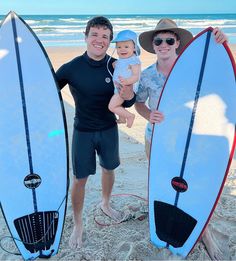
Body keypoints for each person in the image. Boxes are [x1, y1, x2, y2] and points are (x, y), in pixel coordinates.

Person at [135, 18, 227, 260]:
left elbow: (221, 81)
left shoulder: (193, 71)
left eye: (169, 40)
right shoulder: (146, 76)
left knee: (192, 184)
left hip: (187, 142)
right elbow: (138, 103)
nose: (163, 44)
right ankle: (162, 222)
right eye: (158, 41)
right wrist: (148, 114)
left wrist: (221, 43)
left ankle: (204, 232)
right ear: (153, 45)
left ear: (177, 43)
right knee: (163, 182)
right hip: (155, 139)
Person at [56, 16, 135, 249]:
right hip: (83, 131)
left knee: (109, 168)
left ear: (110, 41)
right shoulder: (71, 68)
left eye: (104, 36)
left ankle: (106, 203)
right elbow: (47, 92)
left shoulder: (117, 65)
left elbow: (128, 103)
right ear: (86, 37)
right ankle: (78, 223)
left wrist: (128, 92)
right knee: (80, 178)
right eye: (95, 34)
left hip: (109, 129)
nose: (99, 40)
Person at [108, 30, 141, 128]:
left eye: (126, 47)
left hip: (125, 88)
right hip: (118, 87)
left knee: (112, 106)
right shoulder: (122, 60)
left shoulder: (134, 61)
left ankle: (130, 116)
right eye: (119, 47)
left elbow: (136, 76)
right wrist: (116, 65)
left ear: (134, 48)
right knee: (119, 104)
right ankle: (122, 118)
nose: (122, 49)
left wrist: (127, 82)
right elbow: (122, 68)